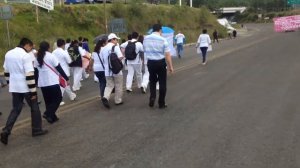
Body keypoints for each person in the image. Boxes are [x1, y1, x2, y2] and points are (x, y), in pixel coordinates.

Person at [1, 38, 48, 145]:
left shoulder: (8, 53)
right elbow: (29, 75)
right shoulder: (25, 56)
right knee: (35, 108)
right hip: (26, 87)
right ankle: (36, 129)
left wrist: (10, 84)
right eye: (30, 47)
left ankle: (6, 130)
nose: (30, 50)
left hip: (14, 86)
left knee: (16, 109)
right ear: (26, 45)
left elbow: (6, 71)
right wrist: (33, 92)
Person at [35, 41, 69, 124]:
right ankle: (48, 113)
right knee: (58, 98)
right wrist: (66, 78)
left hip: (43, 82)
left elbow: (35, 71)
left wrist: (36, 82)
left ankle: (52, 118)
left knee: (48, 101)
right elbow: (59, 68)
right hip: (52, 81)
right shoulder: (51, 56)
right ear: (48, 47)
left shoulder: (37, 57)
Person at [143, 24, 174, 109]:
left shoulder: (146, 39)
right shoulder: (163, 40)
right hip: (160, 63)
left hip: (150, 63)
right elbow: (167, 55)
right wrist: (170, 66)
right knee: (162, 82)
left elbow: (144, 50)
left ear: (153, 30)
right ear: (160, 30)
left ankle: (152, 97)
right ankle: (161, 103)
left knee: (152, 81)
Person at [100, 33, 124, 109]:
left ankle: (105, 97)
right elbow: (120, 57)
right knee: (118, 85)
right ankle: (118, 100)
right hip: (116, 70)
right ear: (113, 39)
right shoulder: (115, 47)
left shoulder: (103, 48)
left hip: (107, 71)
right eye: (116, 39)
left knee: (109, 85)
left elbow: (102, 60)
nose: (117, 41)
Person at [52, 39, 77, 106]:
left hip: (56, 71)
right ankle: (58, 99)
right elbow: (69, 61)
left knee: (65, 85)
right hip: (64, 71)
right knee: (62, 86)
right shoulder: (64, 52)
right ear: (63, 44)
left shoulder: (53, 52)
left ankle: (71, 95)